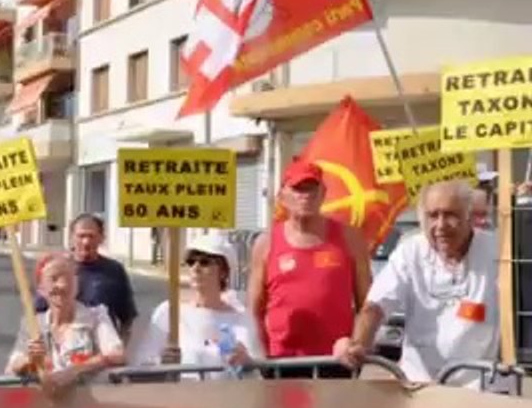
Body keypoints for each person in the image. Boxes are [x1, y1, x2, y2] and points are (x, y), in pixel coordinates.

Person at [336, 180, 498, 386]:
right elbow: (376, 306)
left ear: (469, 217)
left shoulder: (497, 251)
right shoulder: (410, 251)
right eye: (433, 216)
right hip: (421, 384)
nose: (441, 225)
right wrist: (359, 343)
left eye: (450, 215)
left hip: (481, 386)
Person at [248, 160, 371, 378]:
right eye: (298, 189)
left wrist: (357, 343)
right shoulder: (266, 243)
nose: (305, 196)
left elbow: (368, 304)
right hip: (281, 362)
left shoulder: (350, 238)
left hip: (336, 360)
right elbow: (254, 310)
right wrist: (261, 356)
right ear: (282, 196)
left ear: (323, 194)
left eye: (312, 189)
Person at [136, 233, 262, 377]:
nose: (195, 268)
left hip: (226, 391)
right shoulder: (170, 313)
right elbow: (142, 364)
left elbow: (258, 372)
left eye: (204, 262)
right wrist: (161, 363)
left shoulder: (242, 319)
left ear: (223, 271)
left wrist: (247, 363)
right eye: (191, 262)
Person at [8, 253, 125, 393]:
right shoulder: (32, 324)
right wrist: (31, 360)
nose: (62, 285)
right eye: (54, 278)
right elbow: (14, 364)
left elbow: (117, 355)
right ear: (41, 289)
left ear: (77, 284)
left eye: (68, 278)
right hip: (44, 403)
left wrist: (75, 370)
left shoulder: (96, 318)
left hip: (89, 403)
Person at [36, 214, 138, 343]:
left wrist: (120, 345)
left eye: (91, 236)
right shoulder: (56, 268)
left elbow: (127, 318)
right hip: (62, 347)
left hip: (101, 348)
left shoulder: (114, 271)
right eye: (81, 236)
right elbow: (38, 314)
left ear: (101, 238)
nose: (86, 242)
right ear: (72, 237)